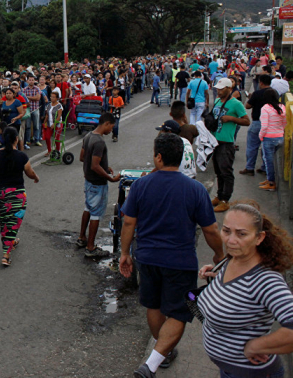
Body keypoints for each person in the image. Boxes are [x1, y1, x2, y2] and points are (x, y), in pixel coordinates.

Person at [120, 133, 224, 378]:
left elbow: (128, 223)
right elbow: (210, 229)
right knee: (179, 311)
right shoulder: (196, 189)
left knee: (154, 305)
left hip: (147, 258)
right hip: (181, 261)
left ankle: (161, 353)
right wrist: (220, 254)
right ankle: (160, 353)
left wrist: (125, 253)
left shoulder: (141, 185)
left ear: (158, 157)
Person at [197, 203, 293, 378]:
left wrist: (257, 346)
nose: (231, 240)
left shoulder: (266, 281)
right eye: (226, 231)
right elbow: (237, 293)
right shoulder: (232, 259)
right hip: (228, 369)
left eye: (241, 234)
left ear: (259, 237)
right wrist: (215, 275)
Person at [0, 127, 39, 266]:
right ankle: (6, 255)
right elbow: (29, 172)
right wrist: (36, 177)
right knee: (13, 223)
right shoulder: (21, 156)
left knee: (4, 223)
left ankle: (11, 241)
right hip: (17, 196)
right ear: (16, 139)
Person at [77, 113, 121, 257]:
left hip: (88, 181)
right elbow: (95, 165)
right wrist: (111, 178)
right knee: (95, 215)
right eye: (111, 127)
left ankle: (82, 238)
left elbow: (83, 157)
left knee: (87, 208)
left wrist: (104, 166)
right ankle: (91, 248)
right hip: (97, 183)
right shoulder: (99, 142)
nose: (111, 131)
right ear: (106, 123)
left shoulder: (89, 136)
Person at [211, 78, 251, 212]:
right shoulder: (217, 101)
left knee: (226, 172)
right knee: (218, 171)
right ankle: (219, 195)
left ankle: (225, 200)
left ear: (229, 89)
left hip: (226, 143)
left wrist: (231, 119)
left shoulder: (236, 104)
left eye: (221, 89)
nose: (218, 90)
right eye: (218, 88)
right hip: (214, 142)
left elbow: (247, 121)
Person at [240, 75, 271, 176]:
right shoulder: (274, 93)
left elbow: (247, 106)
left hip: (258, 122)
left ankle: (250, 168)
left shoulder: (257, 93)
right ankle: (265, 168)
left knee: (252, 146)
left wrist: (252, 98)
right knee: (266, 147)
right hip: (270, 123)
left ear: (261, 82)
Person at [258, 89, 286, 191]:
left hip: (269, 138)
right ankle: (269, 179)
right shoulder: (282, 107)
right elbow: (284, 122)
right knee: (273, 160)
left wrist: (261, 136)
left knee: (268, 161)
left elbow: (264, 126)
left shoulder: (265, 108)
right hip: (280, 137)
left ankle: (271, 183)